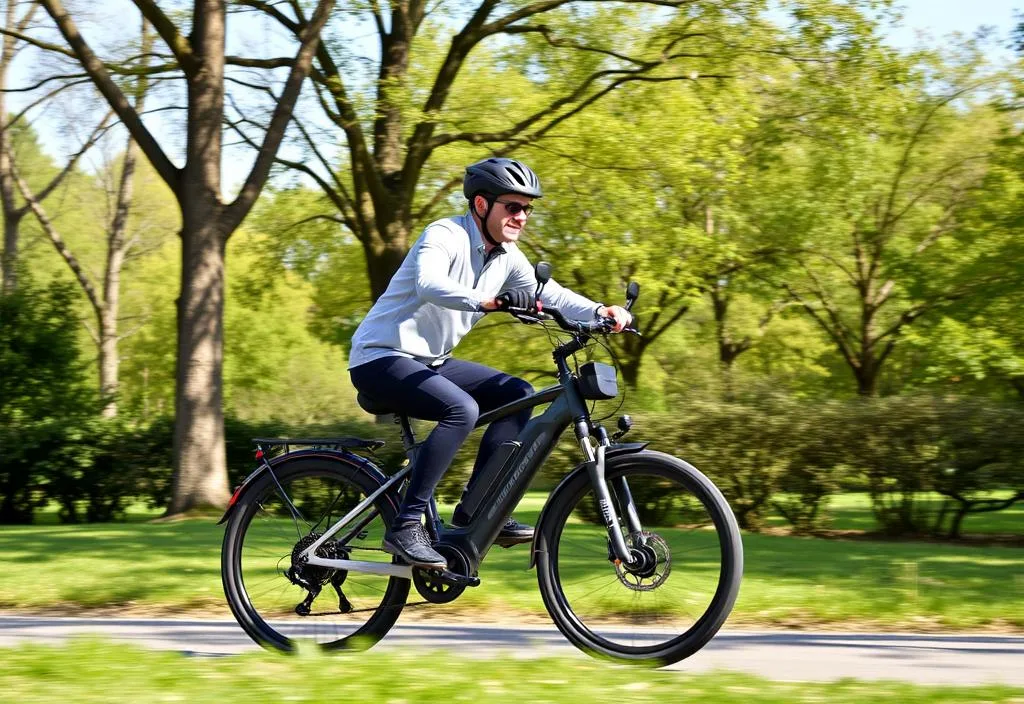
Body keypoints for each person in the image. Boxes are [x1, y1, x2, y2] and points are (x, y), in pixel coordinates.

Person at [348, 157, 632, 569]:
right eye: (512, 207)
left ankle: (476, 510)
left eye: (527, 209)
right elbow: (430, 284)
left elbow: (550, 294)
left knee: (516, 393)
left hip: (430, 361)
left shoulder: (507, 257)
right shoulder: (445, 233)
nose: (521, 216)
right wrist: (487, 301)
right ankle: (406, 525)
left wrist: (601, 312)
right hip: (380, 357)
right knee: (460, 408)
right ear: (482, 205)